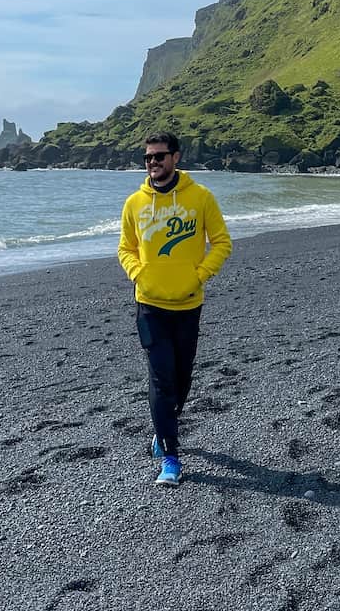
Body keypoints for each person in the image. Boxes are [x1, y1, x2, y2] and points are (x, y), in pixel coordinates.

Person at [118, 132, 232, 487]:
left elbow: (222, 243)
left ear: (176, 158)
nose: (153, 163)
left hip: (188, 305)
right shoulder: (135, 203)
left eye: (159, 156)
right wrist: (140, 275)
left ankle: (162, 426)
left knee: (182, 380)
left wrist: (199, 275)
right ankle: (170, 456)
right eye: (148, 158)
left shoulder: (200, 199)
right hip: (150, 306)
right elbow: (126, 249)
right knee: (161, 379)